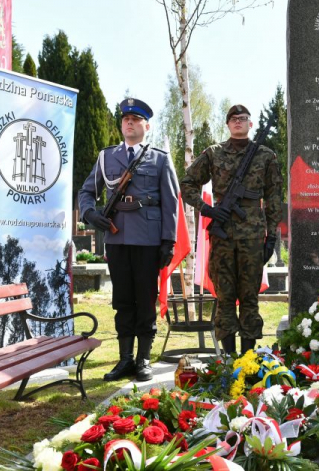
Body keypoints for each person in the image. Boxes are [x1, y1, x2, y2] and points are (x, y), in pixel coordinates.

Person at [78, 98, 179, 382]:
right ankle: (125, 360)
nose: (130, 123)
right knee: (122, 301)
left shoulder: (159, 158)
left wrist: (168, 241)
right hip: (117, 237)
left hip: (148, 240)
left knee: (145, 302)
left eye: (136, 119)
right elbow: (86, 192)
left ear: (147, 125)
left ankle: (143, 359)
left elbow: (171, 201)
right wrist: (89, 213)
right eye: (126, 119)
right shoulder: (106, 157)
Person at [180, 105, 282, 355]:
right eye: (233, 119)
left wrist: (272, 237)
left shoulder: (266, 156)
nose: (238, 122)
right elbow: (187, 182)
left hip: (253, 238)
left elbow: (274, 198)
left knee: (249, 299)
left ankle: (247, 359)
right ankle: (228, 359)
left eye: (243, 118)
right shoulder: (214, 153)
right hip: (223, 237)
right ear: (227, 124)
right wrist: (207, 209)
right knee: (225, 299)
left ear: (250, 124)